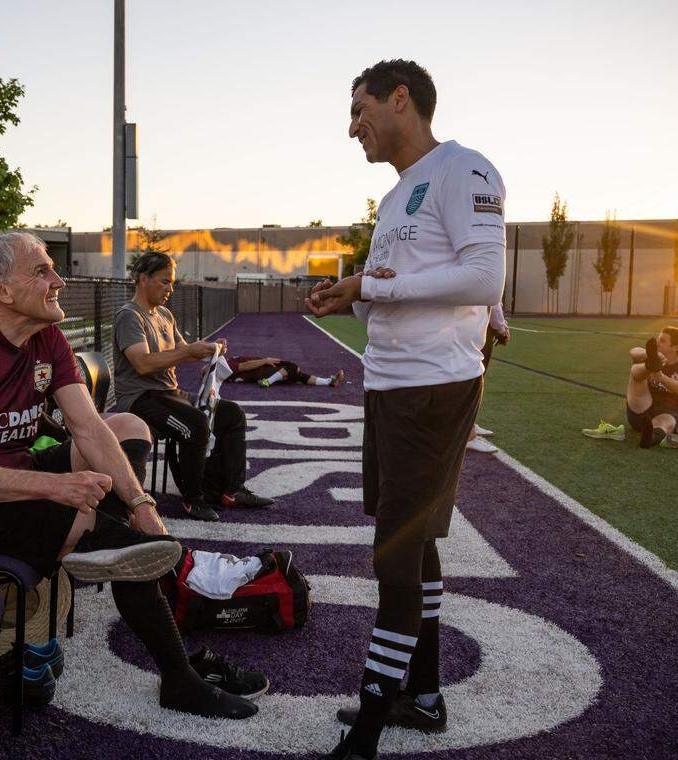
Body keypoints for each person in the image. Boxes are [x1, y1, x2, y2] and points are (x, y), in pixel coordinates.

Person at [0, 232, 263, 719]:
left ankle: (113, 545)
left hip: (13, 477)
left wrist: (142, 505)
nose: (59, 280)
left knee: (127, 431)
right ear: (1, 292)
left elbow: (90, 428)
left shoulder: (44, 337)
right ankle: (176, 667)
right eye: (42, 271)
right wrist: (59, 489)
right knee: (105, 532)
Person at [307, 59, 506, 760]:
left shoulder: (464, 169)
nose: (352, 127)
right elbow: (405, 285)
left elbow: (485, 274)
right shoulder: (395, 199)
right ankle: (422, 695)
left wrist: (379, 287)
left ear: (401, 99)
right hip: (389, 384)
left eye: (360, 110)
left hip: (433, 389)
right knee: (413, 545)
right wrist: (352, 293)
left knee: (393, 556)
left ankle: (368, 725)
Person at [113, 251, 274, 522]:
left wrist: (210, 349)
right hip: (140, 398)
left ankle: (233, 489)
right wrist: (190, 351)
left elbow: (183, 351)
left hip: (168, 394)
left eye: (172, 282)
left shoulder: (164, 314)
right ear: (143, 279)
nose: (170, 288)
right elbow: (142, 363)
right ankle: (193, 499)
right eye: (165, 282)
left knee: (232, 413)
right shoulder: (129, 316)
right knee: (196, 424)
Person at [625, 327, 678, 448]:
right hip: (642, 408)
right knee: (636, 371)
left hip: (669, 411)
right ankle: (649, 366)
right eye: (658, 339)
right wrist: (650, 355)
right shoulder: (651, 356)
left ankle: (651, 437)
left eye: (663, 341)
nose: (658, 343)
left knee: (665, 420)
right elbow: (633, 351)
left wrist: (661, 377)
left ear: (675, 347)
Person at [466, 300, 509, 453]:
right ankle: (468, 434)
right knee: (472, 379)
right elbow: (493, 299)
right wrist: (501, 327)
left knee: (471, 378)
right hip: (477, 327)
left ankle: (470, 424)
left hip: (468, 326)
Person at [224, 355, 345, 389]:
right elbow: (244, 366)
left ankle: (329, 381)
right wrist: (265, 360)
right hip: (260, 371)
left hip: (261, 368)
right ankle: (268, 381)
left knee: (297, 375)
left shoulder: (226, 362)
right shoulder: (226, 365)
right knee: (292, 367)